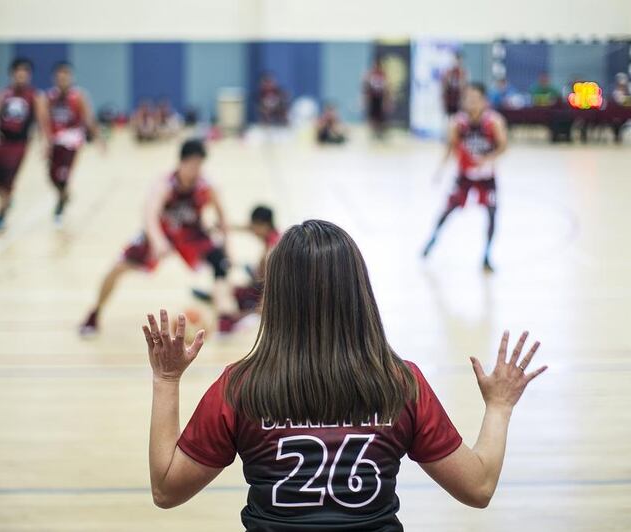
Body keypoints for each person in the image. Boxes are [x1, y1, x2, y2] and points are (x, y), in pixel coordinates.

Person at [142, 220, 546, 530]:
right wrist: (499, 406)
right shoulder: (401, 385)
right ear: (359, 291)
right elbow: (478, 488)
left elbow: (166, 489)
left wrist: (166, 380)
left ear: (277, 297)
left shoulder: (240, 388)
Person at [79, 139, 232, 336]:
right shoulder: (165, 184)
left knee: (221, 262)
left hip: (190, 233)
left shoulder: (206, 185)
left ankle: (226, 318)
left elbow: (222, 216)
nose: (196, 170)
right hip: (162, 232)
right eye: (192, 165)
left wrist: (229, 246)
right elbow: (150, 214)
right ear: (181, 163)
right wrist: (158, 241)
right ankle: (94, 313)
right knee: (118, 267)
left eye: (200, 165)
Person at [422, 82, 508, 272]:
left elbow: (503, 145)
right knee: (448, 209)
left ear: (484, 101)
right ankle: (433, 238)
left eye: (476, 99)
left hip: (486, 176)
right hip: (465, 176)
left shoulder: (493, 121)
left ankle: (487, 255)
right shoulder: (458, 122)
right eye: (468, 99)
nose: (472, 103)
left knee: (492, 213)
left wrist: (487, 158)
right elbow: (450, 147)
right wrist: (440, 170)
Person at [0, 58, 49, 233]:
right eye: (18, 72)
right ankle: (7, 200)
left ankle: (0, 214)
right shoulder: (4, 93)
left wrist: (45, 143)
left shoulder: (35, 96)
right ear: (12, 74)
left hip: (18, 144)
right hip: (2, 142)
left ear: (29, 75)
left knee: (7, 183)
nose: (21, 75)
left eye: (25, 72)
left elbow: (42, 122)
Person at [193, 205, 280, 317]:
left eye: (254, 226)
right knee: (231, 288)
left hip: (266, 287)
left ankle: (215, 296)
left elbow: (270, 288)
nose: (252, 230)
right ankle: (216, 295)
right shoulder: (272, 231)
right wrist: (219, 226)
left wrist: (242, 314)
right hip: (260, 278)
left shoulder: (270, 252)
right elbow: (246, 227)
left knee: (230, 298)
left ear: (263, 225)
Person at [45, 61, 98, 224]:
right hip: (55, 141)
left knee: (63, 176)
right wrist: (45, 141)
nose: (63, 79)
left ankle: (60, 207)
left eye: (66, 75)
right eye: (60, 76)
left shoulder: (78, 96)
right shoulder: (49, 97)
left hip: (72, 141)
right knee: (52, 177)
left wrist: (97, 139)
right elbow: (44, 121)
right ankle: (65, 195)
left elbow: (89, 117)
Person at [363, 57, 390, 138]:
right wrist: (365, 99)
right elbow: (365, 87)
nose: (376, 67)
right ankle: (373, 132)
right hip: (372, 98)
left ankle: (380, 132)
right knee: (372, 115)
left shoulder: (383, 74)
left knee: (380, 116)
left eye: (378, 65)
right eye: (375, 65)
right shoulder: (370, 74)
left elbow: (387, 88)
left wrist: (387, 101)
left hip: (380, 98)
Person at [442, 52, 467, 116]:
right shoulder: (448, 72)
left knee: (458, 116)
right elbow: (444, 85)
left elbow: (464, 87)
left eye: (459, 61)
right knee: (449, 116)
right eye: (456, 60)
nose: (457, 62)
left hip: (458, 99)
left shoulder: (463, 72)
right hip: (449, 98)